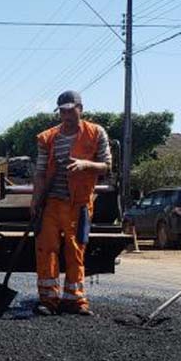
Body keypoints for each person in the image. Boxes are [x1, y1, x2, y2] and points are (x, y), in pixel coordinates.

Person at [31, 90, 112, 316]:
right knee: (46, 250)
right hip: (51, 203)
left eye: (70, 110)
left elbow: (106, 165)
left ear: (80, 108)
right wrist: (35, 201)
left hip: (79, 203)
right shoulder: (47, 138)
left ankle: (74, 301)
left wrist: (85, 164)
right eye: (63, 111)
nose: (66, 115)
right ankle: (48, 300)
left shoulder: (96, 133)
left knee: (75, 251)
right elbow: (39, 173)